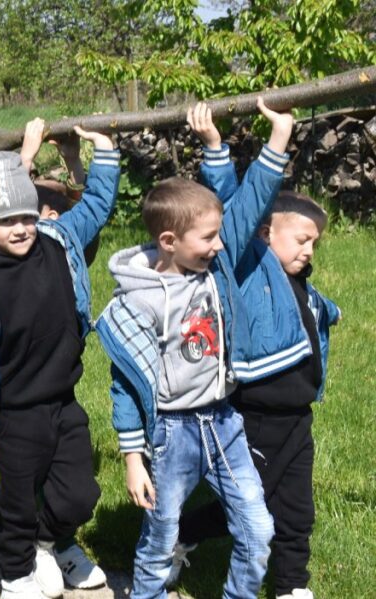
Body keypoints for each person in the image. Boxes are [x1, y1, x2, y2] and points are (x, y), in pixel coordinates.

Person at [95, 98, 294, 599]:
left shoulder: (216, 269)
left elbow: (250, 203)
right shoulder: (137, 303)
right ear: (169, 240)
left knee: (258, 528)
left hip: (223, 422)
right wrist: (133, 458)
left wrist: (275, 138)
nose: (220, 245)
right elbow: (125, 385)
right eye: (208, 238)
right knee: (161, 535)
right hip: (171, 433)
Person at [165, 105, 341, 599]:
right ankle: (180, 534)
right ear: (265, 233)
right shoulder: (245, 265)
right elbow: (234, 205)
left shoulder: (301, 284)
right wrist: (220, 148)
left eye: (314, 244)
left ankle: (290, 586)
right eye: (302, 240)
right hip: (255, 415)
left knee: (297, 509)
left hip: (297, 416)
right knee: (243, 504)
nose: (309, 251)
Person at [0, 120, 120, 598]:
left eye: (26, 217)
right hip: (16, 415)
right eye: (6, 221)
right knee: (20, 504)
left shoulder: (57, 241)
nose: (20, 228)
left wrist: (104, 152)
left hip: (63, 400)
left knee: (80, 494)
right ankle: (16, 575)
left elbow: (97, 207)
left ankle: (48, 541)